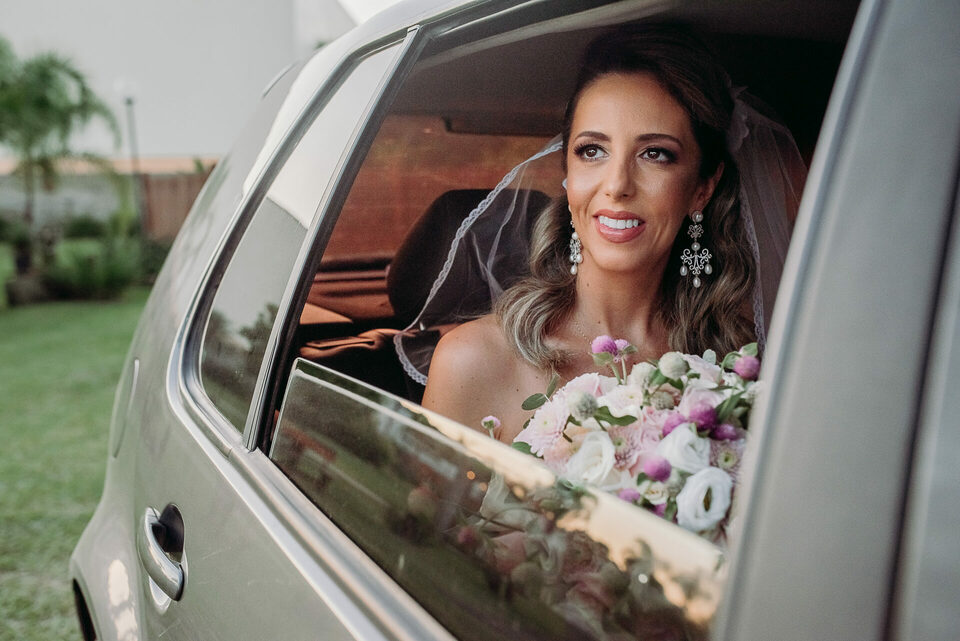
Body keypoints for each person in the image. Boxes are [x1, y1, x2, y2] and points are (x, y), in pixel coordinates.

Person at [416, 26, 803, 442]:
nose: (617, 185)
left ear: (702, 189)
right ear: (568, 176)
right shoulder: (473, 361)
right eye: (592, 151)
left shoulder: (739, 362)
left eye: (655, 154)